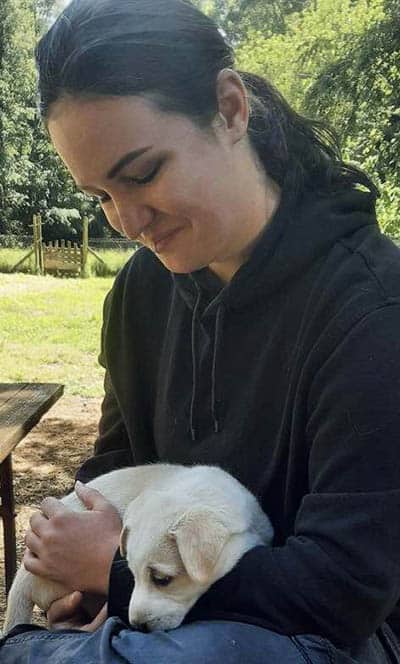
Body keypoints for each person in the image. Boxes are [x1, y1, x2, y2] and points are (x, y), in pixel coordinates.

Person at [2, 0, 400, 661]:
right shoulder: (140, 291)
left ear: (231, 108)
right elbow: (116, 472)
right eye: (100, 195)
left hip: (334, 635)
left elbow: (345, 590)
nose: (127, 221)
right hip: (162, 612)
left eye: (143, 173)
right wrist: (86, 592)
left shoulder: (373, 310)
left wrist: (117, 573)